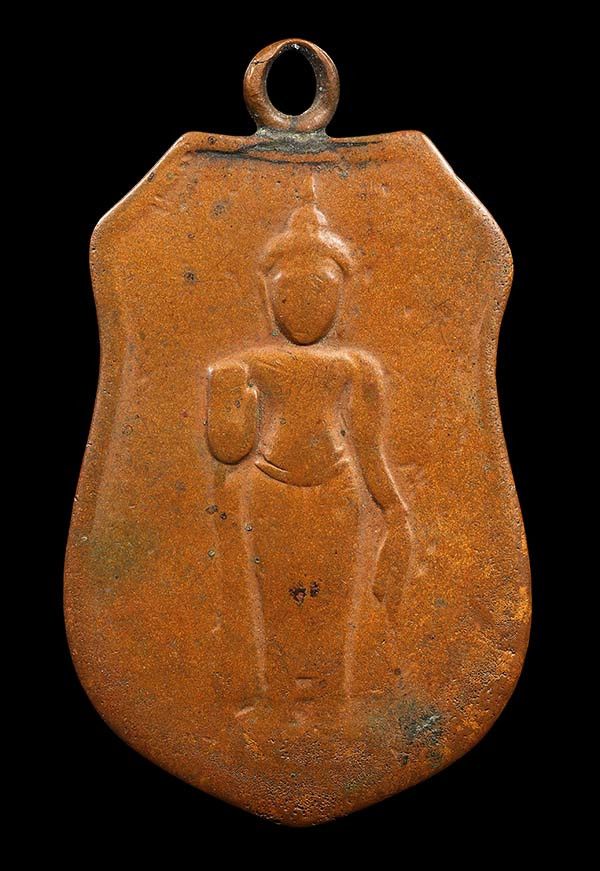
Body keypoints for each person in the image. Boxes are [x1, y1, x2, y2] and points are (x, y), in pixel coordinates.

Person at [206, 194, 411, 718]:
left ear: (339, 292)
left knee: (333, 601)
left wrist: (394, 510)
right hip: (270, 488)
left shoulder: (355, 366)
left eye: (318, 290)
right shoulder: (250, 364)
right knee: (276, 597)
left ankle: (330, 700)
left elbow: (369, 450)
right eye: (288, 292)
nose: (302, 305)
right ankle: (279, 698)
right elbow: (228, 448)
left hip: (338, 488)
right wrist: (231, 401)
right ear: (269, 294)